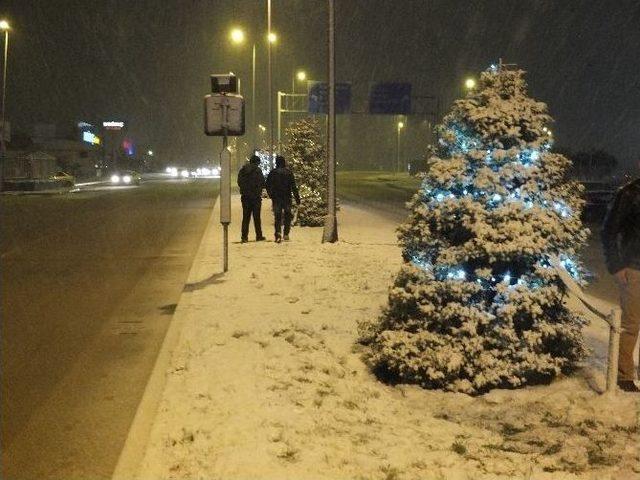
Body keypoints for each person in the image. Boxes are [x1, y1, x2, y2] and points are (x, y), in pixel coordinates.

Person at [602, 176, 640, 392]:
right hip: (634, 268)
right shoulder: (629, 193)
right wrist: (616, 266)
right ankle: (623, 375)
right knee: (630, 324)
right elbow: (608, 231)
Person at [266, 155, 300, 243]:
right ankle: (286, 233)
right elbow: (293, 187)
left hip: (276, 197)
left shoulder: (272, 173)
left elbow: (267, 185)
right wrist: (297, 198)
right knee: (287, 216)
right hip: (286, 197)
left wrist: (271, 194)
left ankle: (277, 233)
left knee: (277, 216)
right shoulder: (289, 173)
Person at [237, 154, 266, 243]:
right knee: (257, 218)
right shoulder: (258, 170)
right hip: (256, 197)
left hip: (245, 197)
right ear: (257, 162)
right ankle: (259, 235)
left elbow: (239, 182)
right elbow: (262, 182)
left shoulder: (242, 170)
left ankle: (244, 236)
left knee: (246, 217)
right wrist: (258, 189)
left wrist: (245, 189)